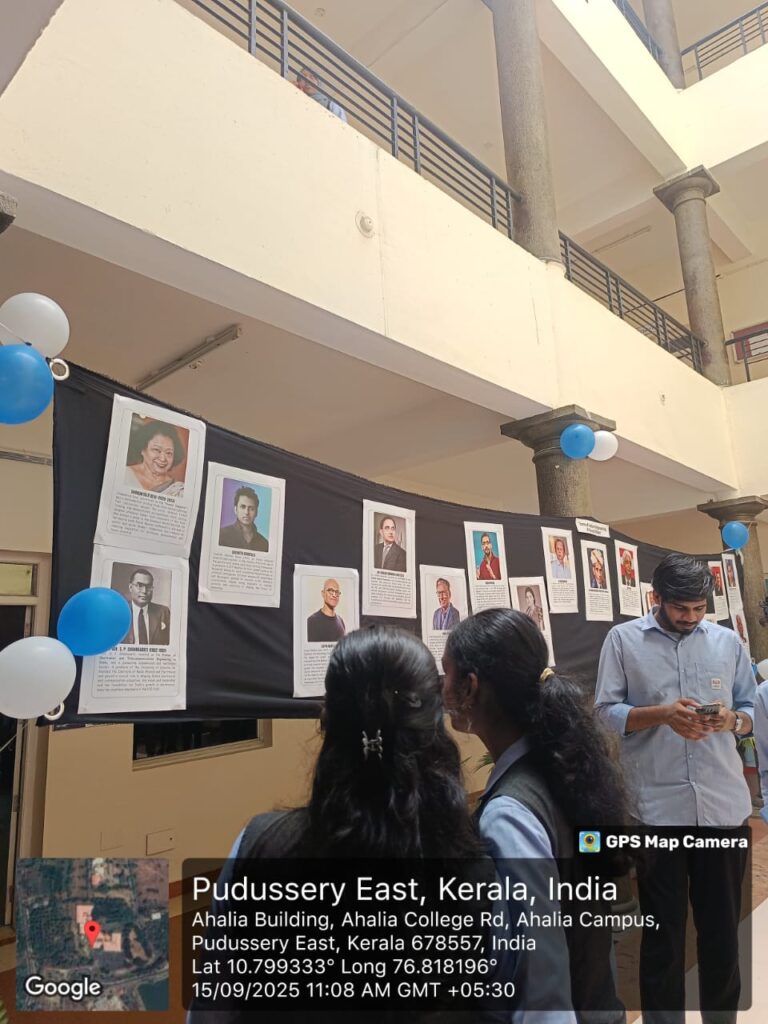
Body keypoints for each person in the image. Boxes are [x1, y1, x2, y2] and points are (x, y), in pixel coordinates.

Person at [189, 626, 494, 1022]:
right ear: (433, 724)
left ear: (327, 719)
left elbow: (212, 1010)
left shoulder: (259, 844)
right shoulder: (475, 866)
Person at [443, 609, 628, 1023]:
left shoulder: (510, 814)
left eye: (447, 673)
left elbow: (540, 978)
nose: (442, 688)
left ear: (470, 686)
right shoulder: (566, 768)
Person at [595, 553, 756, 1023]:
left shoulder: (727, 642)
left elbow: (750, 711)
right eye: (680, 608)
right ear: (656, 598)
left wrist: (731, 720)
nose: (690, 617)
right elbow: (603, 714)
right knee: (663, 937)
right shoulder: (623, 640)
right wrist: (662, 714)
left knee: (722, 934)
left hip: (722, 811)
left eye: (699, 608)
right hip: (656, 811)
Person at [125, 421, 185, 496]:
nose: (163, 459)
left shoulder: (177, 490)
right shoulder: (124, 473)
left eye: (169, 453)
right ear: (142, 449)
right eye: (156, 450)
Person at [121, 569, 170, 645]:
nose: (144, 591)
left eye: (149, 586)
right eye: (139, 585)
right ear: (130, 587)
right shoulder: (120, 612)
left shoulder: (164, 612)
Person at [218, 486, 269, 552]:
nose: (246, 512)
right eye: (243, 507)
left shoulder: (264, 543)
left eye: (251, 508)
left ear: (256, 512)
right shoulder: (221, 535)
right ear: (235, 510)